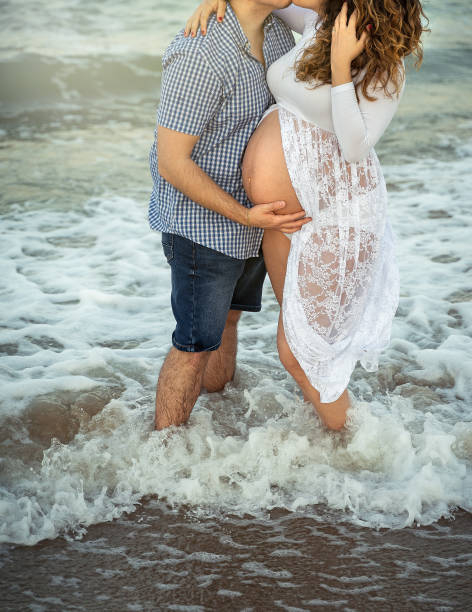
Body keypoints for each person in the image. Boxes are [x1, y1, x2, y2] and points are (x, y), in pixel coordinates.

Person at [185, 0, 427, 429]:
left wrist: (340, 68)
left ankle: (359, 448)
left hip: (336, 217)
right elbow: (268, 5)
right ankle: (326, 442)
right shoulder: (319, 23)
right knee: (300, 341)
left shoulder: (386, 69)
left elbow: (355, 146)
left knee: (301, 352)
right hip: (287, 218)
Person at [149, 0, 312, 430]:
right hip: (205, 227)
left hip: (259, 223)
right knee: (194, 343)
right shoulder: (200, 53)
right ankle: (163, 459)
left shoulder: (278, 30)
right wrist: (244, 215)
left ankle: (218, 419)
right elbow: (172, 162)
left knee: (229, 319)